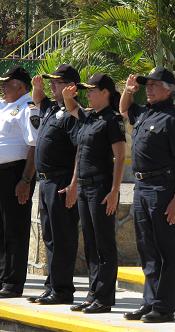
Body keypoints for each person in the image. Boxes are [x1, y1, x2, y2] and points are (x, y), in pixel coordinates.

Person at [120, 67, 175, 323]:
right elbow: (124, 109)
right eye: (146, 84)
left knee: (166, 252)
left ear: (168, 89)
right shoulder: (145, 113)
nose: (148, 88)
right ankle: (149, 302)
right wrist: (129, 92)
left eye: (153, 84)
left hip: (163, 189)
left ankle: (163, 307)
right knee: (147, 249)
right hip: (141, 188)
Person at [62, 73, 126, 313]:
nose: (87, 93)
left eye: (91, 89)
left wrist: (114, 191)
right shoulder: (89, 117)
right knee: (90, 242)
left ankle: (104, 297)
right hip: (85, 186)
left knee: (104, 243)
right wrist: (75, 182)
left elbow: (119, 156)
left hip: (101, 187)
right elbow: (73, 110)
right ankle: (93, 292)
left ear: (105, 92)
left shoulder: (112, 119)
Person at [27, 64, 80, 305]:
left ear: (70, 86)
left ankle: (62, 289)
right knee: (50, 236)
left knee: (62, 237)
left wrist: (74, 184)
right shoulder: (52, 109)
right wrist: (37, 87)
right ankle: (52, 285)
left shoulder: (73, 113)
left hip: (61, 180)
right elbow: (38, 99)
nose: (52, 85)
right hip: (46, 181)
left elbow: (80, 150)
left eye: (57, 82)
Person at [0, 66, 39, 298]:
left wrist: (26, 179)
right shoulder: (5, 106)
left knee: (15, 228)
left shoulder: (27, 108)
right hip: (2, 173)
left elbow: (34, 146)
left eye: (8, 83)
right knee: (2, 228)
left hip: (16, 173)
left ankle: (13, 283)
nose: (3, 86)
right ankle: (2, 275)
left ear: (22, 86)